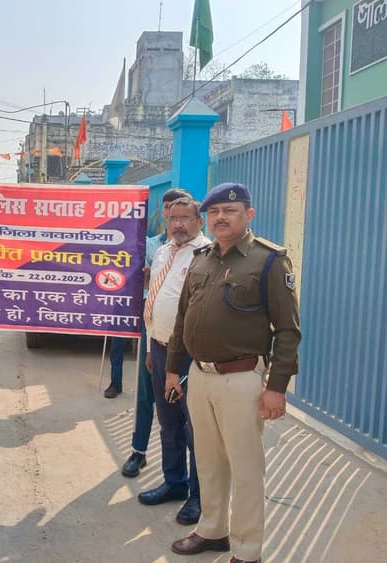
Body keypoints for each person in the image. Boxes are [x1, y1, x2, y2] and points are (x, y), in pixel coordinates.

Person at [168, 183, 301, 563]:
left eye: (230, 211)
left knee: (245, 468)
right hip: (200, 376)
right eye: (214, 212)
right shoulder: (201, 258)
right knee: (209, 461)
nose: (221, 218)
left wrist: (277, 388)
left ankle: (247, 550)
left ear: (249, 215)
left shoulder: (269, 261)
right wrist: (174, 369)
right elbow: (182, 319)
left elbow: (288, 330)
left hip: (242, 380)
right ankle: (213, 530)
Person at [138, 197, 209, 525]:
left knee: (196, 428)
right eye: (173, 218)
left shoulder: (206, 254)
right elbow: (156, 298)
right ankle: (175, 482)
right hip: (159, 348)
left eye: (185, 218)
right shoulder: (164, 251)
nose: (178, 224)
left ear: (199, 222)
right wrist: (151, 350)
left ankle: (199, 496)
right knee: (168, 422)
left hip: (189, 355)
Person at [122, 188, 191, 477]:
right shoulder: (153, 247)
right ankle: (139, 452)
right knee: (147, 394)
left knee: (184, 407)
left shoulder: (200, 250)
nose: (174, 218)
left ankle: (190, 482)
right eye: (168, 210)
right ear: (164, 213)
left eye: (180, 212)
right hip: (153, 331)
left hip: (185, 342)